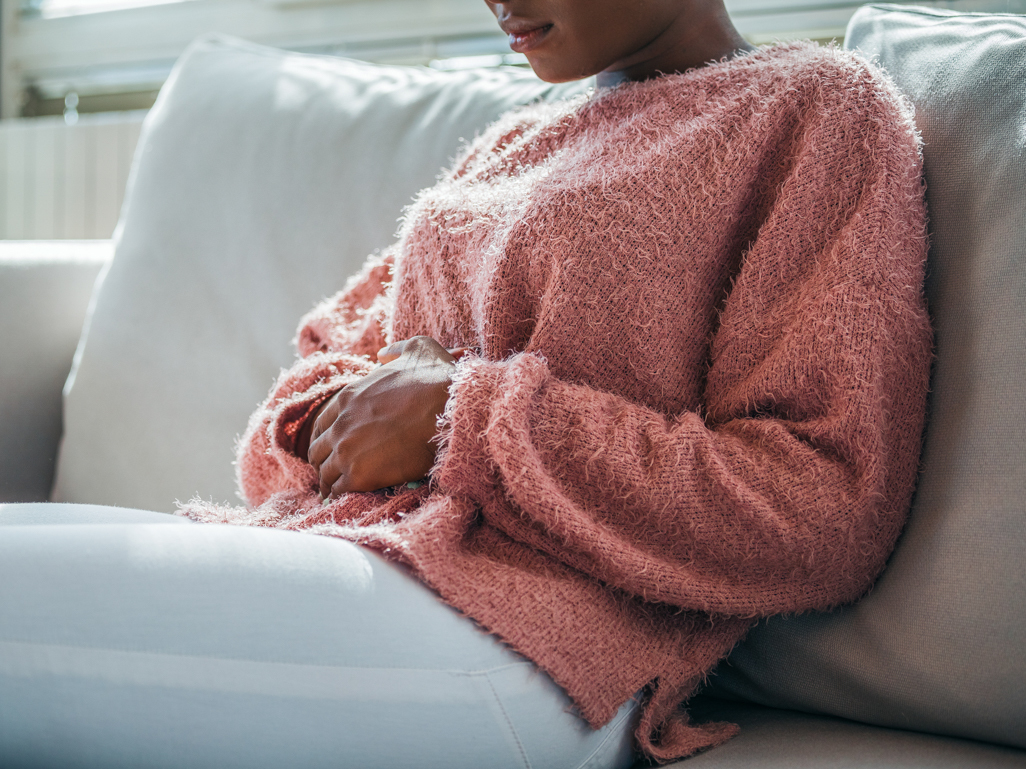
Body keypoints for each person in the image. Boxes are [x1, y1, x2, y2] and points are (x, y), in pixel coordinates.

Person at [178, 0, 934, 764]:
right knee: (55, 546)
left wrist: (460, 418)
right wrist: (331, 424)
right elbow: (321, 390)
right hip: (349, 556)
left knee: (49, 599)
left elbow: (821, 506)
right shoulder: (517, 138)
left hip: (533, 642)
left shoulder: (816, 108)